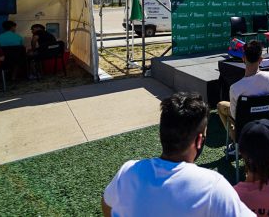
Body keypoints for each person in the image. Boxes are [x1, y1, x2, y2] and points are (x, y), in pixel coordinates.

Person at [102, 92, 253, 217]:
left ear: (161, 133)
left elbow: (106, 203)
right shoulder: (214, 186)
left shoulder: (127, 171)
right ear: (199, 140)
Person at [217, 40, 269, 143]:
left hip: (247, 127)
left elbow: (234, 116)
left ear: (243, 59)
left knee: (221, 106)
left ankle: (237, 143)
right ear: (260, 60)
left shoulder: (235, 88)